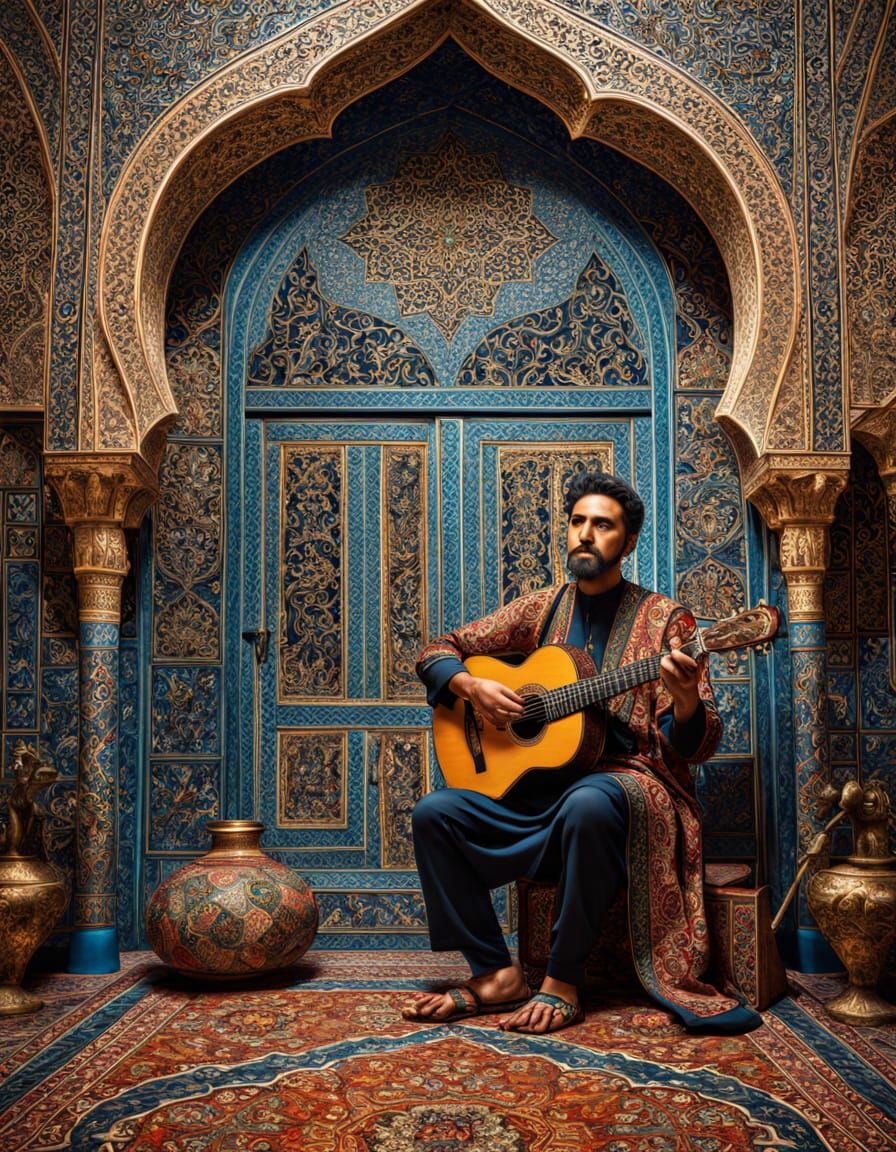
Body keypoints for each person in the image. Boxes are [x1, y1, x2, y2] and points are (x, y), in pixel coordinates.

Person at [402, 469, 760, 1035]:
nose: (585, 534)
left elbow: (699, 745)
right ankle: (496, 973)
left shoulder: (670, 622)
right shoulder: (540, 609)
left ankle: (561, 981)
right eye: (577, 522)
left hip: (630, 788)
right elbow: (436, 650)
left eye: (603, 525)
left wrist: (687, 699)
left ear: (629, 541)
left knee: (590, 802)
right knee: (434, 814)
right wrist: (470, 687)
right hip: (542, 794)